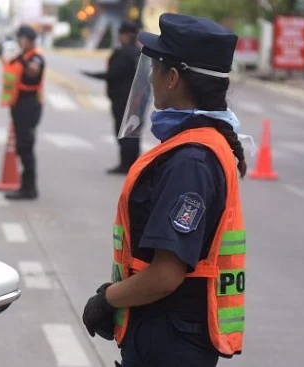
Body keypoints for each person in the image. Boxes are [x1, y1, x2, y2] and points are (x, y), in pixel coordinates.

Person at [81, 13, 248, 366]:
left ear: (173, 78)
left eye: (155, 68)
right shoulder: (196, 146)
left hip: (170, 343)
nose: (151, 78)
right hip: (170, 336)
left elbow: (165, 275)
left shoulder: (191, 162)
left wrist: (108, 299)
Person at [82, 21, 145, 174]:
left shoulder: (124, 53)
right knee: (133, 133)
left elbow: (113, 74)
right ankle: (131, 165)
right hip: (138, 98)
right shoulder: (139, 53)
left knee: (124, 134)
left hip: (123, 99)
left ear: (126, 36)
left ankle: (126, 165)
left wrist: (92, 74)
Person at [2, 25, 45, 200]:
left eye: (21, 38)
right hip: (18, 105)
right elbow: (7, 64)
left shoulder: (35, 57)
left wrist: (22, 59)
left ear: (27, 39)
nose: (19, 41)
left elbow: (33, 70)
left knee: (26, 147)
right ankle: (25, 186)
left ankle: (29, 188)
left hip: (29, 105)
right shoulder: (21, 56)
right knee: (21, 147)